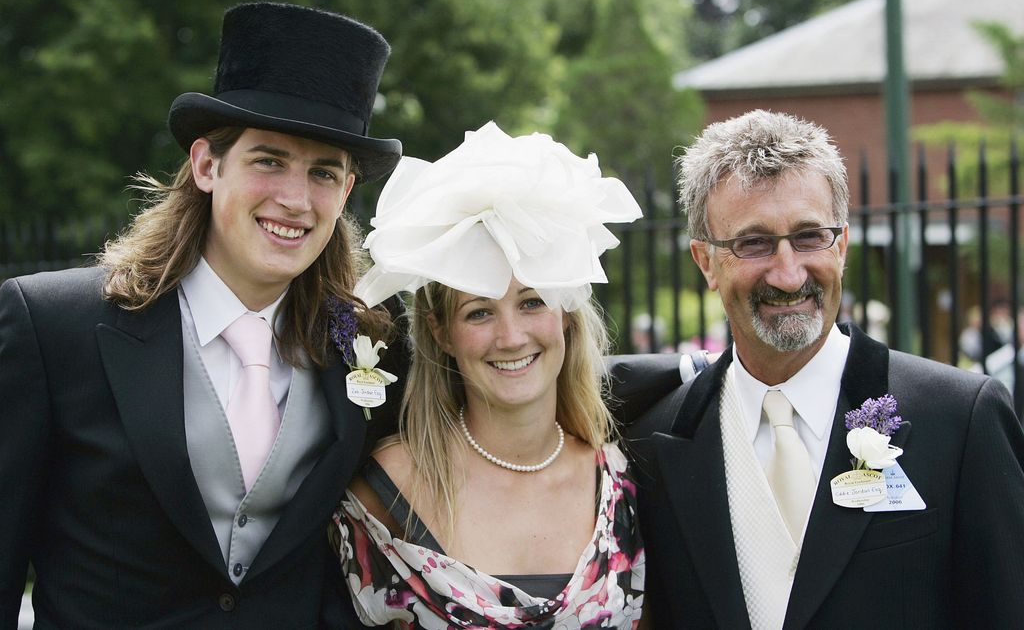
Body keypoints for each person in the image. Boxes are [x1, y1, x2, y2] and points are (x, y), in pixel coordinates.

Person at [0, 2, 409, 628]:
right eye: (269, 160)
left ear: (347, 192)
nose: (295, 199)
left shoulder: (373, 341)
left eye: (323, 172)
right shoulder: (53, 326)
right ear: (206, 165)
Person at [627, 110, 1024, 629]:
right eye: (754, 243)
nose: (789, 274)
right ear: (705, 262)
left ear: (841, 244)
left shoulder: (960, 419)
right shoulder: (653, 441)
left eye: (809, 236)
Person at [332, 122, 647, 628]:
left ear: (565, 314)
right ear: (440, 332)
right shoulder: (385, 490)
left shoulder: (619, 485)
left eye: (531, 302)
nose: (511, 337)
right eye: (479, 312)